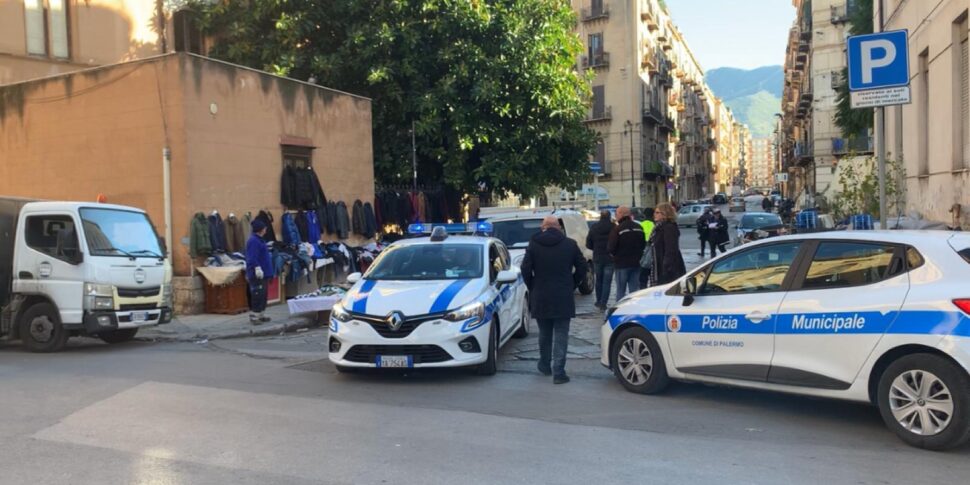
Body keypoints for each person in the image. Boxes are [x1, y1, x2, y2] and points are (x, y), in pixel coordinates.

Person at [521, 216, 588, 384]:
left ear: (543, 227)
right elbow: (582, 267)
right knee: (561, 333)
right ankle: (559, 371)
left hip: (541, 293)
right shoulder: (569, 244)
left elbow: (525, 268)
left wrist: (532, 285)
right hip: (563, 294)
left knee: (544, 333)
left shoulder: (534, 244)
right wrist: (573, 283)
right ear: (558, 227)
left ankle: (544, 364)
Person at [607, 206, 646, 302]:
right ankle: (635, 308)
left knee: (621, 290)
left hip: (621, 264)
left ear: (621, 214)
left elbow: (611, 247)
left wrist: (614, 255)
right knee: (634, 291)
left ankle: (620, 310)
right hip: (636, 263)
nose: (615, 216)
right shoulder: (639, 227)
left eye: (616, 214)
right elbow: (643, 244)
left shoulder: (618, 229)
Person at [246, 219, 275, 325]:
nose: (266, 229)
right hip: (257, 273)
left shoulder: (260, 240)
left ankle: (261, 314)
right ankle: (254, 316)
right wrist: (257, 268)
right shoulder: (253, 241)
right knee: (257, 294)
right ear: (260, 229)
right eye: (264, 228)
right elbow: (251, 257)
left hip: (264, 273)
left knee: (263, 295)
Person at [649, 203, 686, 286]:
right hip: (659, 266)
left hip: (668, 269)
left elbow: (671, 250)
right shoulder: (658, 227)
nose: (654, 214)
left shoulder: (669, 227)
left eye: (657, 212)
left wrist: (666, 268)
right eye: (655, 212)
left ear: (665, 214)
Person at [585, 211, 615, 311]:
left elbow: (588, 243)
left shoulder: (594, 227)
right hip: (610, 257)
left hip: (597, 257)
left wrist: (595, 248)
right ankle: (604, 302)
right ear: (609, 216)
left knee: (599, 280)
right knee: (607, 281)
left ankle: (598, 301)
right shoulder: (614, 227)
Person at [638, 209, 656, 290]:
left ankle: (643, 290)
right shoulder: (654, 225)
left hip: (643, 250)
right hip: (653, 250)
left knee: (643, 277)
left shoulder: (641, 224)